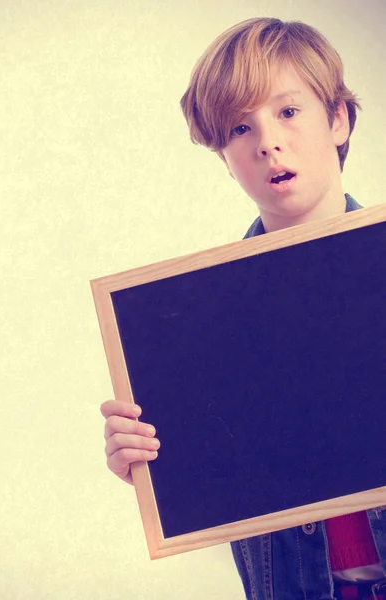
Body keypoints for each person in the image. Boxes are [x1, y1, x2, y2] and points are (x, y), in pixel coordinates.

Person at [100, 17, 386, 600]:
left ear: (338, 119)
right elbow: (214, 473)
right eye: (239, 127)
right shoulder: (195, 322)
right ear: (225, 157)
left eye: (288, 111)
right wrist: (154, 461)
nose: (267, 142)